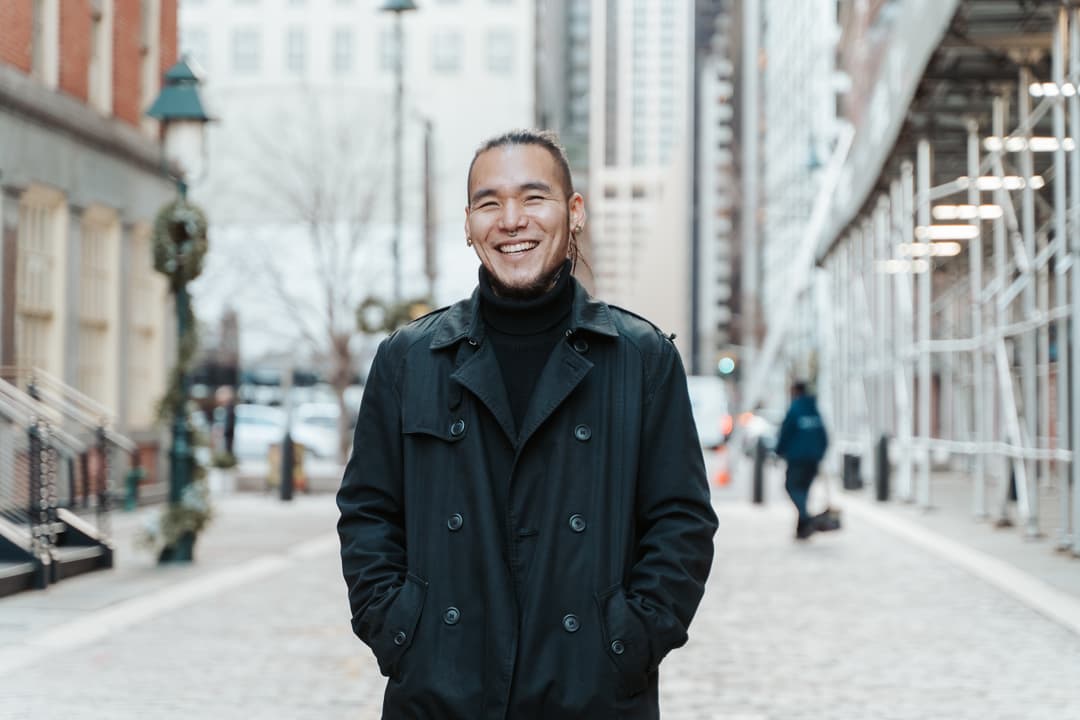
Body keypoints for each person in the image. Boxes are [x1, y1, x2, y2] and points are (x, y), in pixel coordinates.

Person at [337, 129, 718, 719]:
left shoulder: (640, 359)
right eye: (489, 203)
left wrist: (628, 641)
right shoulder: (409, 359)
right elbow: (368, 512)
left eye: (533, 198)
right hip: (440, 693)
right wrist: (400, 630)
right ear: (468, 224)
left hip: (591, 695)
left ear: (574, 213)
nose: (511, 220)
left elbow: (681, 521)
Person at [774, 380, 830, 539]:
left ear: (795, 392)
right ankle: (802, 529)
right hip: (812, 460)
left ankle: (805, 518)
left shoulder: (795, 409)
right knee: (804, 491)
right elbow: (824, 436)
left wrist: (779, 451)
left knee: (792, 487)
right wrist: (819, 454)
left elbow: (786, 433)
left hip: (797, 458)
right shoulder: (814, 410)